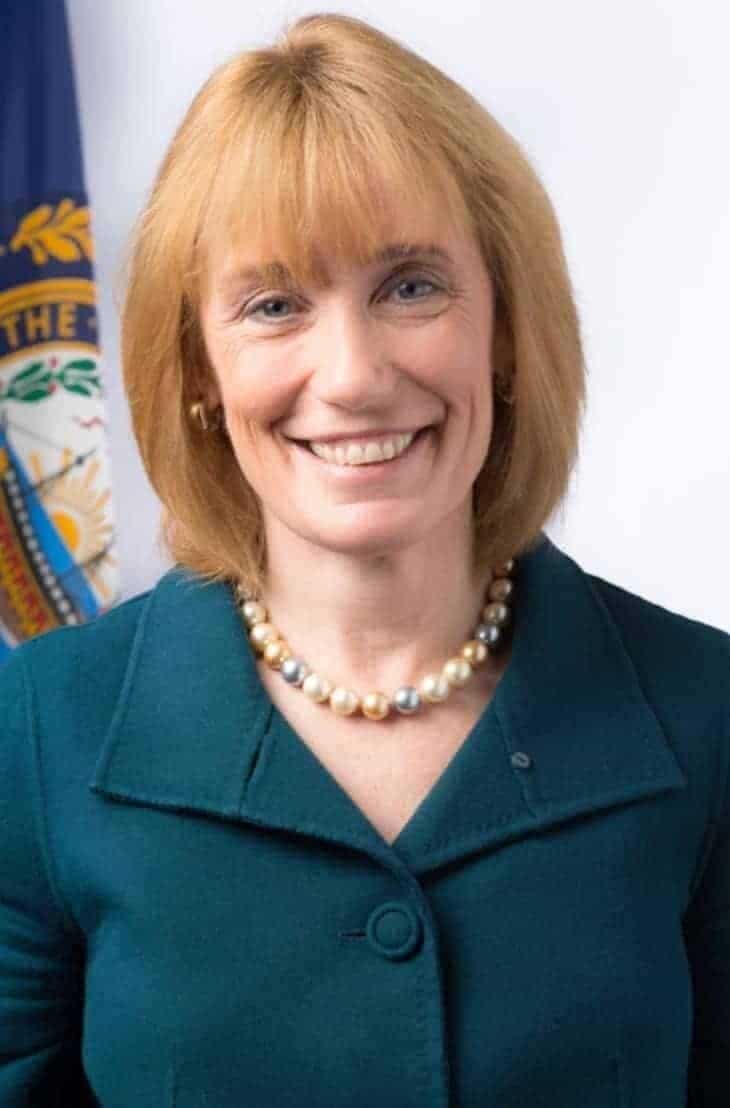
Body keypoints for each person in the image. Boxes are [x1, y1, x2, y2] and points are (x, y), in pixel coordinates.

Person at [0, 11, 727, 1107]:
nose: (350, 375)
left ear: (504, 326)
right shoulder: (38, 733)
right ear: (199, 366)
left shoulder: (705, 713)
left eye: (409, 286)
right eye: (274, 304)